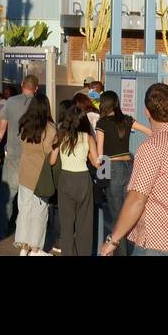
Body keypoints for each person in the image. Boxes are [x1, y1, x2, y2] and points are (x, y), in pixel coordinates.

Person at [100, 83, 168, 256]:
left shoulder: (151, 147)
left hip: (156, 244)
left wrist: (113, 240)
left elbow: (137, 199)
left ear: (146, 112)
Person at [95, 90, 151, 256]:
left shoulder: (102, 123)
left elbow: (100, 155)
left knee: (117, 216)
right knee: (129, 214)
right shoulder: (126, 120)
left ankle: (121, 253)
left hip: (111, 167)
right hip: (129, 166)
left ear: (104, 104)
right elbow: (149, 132)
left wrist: (101, 177)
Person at [50, 101, 100, 255]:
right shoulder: (88, 138)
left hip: (65, 178)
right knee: (84, 223)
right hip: (83, 179)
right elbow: (96, 163)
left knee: (66, 223)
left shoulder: (60, 135)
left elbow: (52, 161)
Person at [0, 73, 39, 234]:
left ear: (22, 85)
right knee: (30, 197)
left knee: (7, 196)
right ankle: (25, 233)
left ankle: (0, 229)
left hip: (13, 153)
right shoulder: (40, 104)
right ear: (36, 89)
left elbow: (1, 127)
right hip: (34, 156)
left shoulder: (11, 102)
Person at [14, 93, 55, 256]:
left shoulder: (25, 125)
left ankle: (23, 247)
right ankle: (36, 248)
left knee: (24, 211)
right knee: (40, 212)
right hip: (41, 176)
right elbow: (50, 154)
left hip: (24, 173)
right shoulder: (50, 129)